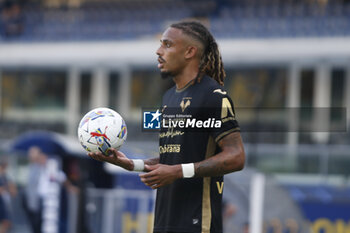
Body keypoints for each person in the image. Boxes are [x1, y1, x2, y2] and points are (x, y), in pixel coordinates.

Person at [88, 21, 245, 233]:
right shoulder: (169, 97)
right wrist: (131, 164)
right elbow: (173, 159)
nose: (158, 51)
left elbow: (236, 156)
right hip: (164, 220)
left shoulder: (213, 96)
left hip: (197, 223)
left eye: (167, 45)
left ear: (190, 51)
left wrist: (177, 171)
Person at [0, 160, 17, 233]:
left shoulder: (6, 178)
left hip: (6, 204)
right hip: (1, 204)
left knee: (6, 223)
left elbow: (13, 192)